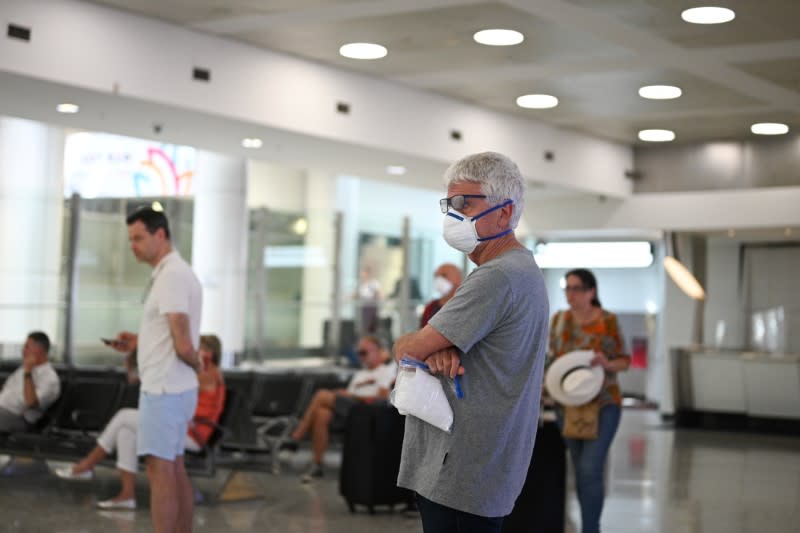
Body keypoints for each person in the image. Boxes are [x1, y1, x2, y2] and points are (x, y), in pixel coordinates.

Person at [392, 152, 549, 532]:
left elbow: (407, 349)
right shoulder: (521, 271)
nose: (453, 215)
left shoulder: (496, 277)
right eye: (450, 204)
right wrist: (441, 345)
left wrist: (425, 344)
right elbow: (429, 347)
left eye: (466, 203)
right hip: (479, 465)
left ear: (504, 214)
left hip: (462, 469)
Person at [104, 207, 202, 533]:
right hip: (173, 386)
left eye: (139, 238)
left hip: (163, 388)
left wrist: (197, 361)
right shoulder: (172, 271)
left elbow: (181, 336)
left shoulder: (172, 274)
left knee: (160, 473)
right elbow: (168, 332)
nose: (133, 245)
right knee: (173, 467)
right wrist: (138, 342)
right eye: (131, 239)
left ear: (160, 234)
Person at [54, 335, 226, 510]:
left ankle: (85, 466)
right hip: (177, 428)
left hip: (192, 435)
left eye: (200, 348)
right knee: (125, 432)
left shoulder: (211, 374)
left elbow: (171, 383)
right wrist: (134, 363)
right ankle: (126, 496)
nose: (194, 351)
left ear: (210, 354)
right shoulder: (196, 372)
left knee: (123, 416)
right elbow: (139, 381)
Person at [546, 268, 630, 533]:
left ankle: (591, 528)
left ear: (591, 291)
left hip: (603, 404)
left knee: (590, 468)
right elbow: (550, 360)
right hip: (567, 406)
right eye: (567, 288)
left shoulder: (608, 321)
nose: (570, 294)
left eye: (576, 288)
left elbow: (624, 361)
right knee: (581, 471)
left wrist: (607, 363)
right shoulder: (559, 321)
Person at [289, 335, 396, 483]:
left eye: (364, 352)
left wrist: (352, 395)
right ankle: (317, 465)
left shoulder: (386, 371)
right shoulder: (360, 374)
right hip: (349, 409)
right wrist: (345, 394)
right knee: (322, 414)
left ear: (377, 351)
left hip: (365, 410)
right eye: (359, 353)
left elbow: (382, 398)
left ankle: (298, 435)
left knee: (321, 395)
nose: (361, 357)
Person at [0, 331, 60, 432]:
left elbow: (31, 403)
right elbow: (6, 390)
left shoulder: (50, 378)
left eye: (27, 347)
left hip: (19, 418)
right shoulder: (22, 369)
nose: (23, 350)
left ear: (39, 349)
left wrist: (28, 373)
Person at [419, 263, 462, 328]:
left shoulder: (466, 305)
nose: (438, 280)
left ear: (458, 278)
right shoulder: (430, 307)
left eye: (444, 276)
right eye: (436, 276)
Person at [355, 265, 382, 334]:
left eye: (363, 273)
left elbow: (379, 294)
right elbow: (357, 294)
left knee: (370, 324)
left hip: (371, 306)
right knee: (364, 325)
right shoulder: (362, 284)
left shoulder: (373, 283)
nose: (362, 275)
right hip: (364, 306)